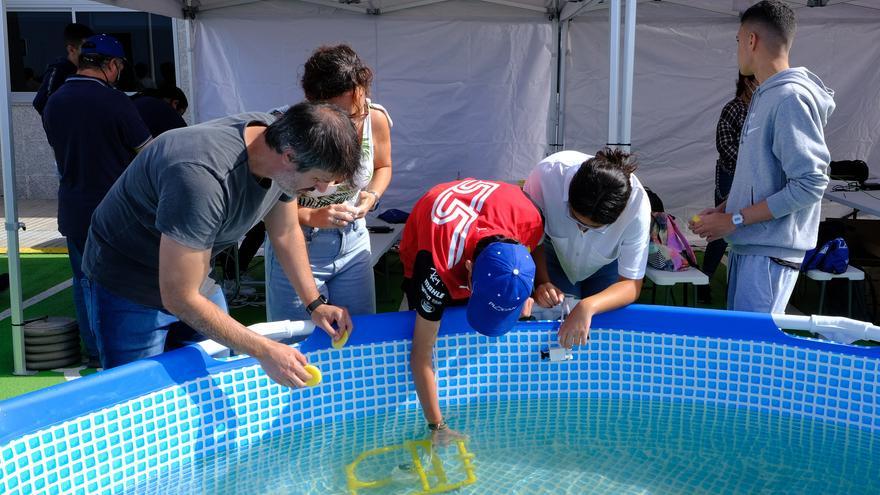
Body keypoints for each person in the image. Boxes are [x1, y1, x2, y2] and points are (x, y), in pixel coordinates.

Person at [81, 102, 361, 388]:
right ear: (289, 157)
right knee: (138, 396)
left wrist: (314, 304)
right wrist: (264, 350)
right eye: (318, 179)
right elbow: (179, 297)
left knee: (212, 383)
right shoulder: (202, 179)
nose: (323, 190)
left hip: (192, 273)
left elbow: (287, 231)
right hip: (129, 280)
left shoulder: (281, 143)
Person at [690, 0, 834, 313]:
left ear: (751, 40)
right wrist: (725, 209)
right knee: (745, 353)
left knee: (755, 358)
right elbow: (763, 174)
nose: (738, 48)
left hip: (769, 254)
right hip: (753, 247)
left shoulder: (790, 98)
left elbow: (810, 184)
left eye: (738, 40)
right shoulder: (767, 94)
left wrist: (734, 219)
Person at [400, 179, 543, 442]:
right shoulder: (436, 270)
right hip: (430, 228)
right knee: (425, 328)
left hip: (500, 207)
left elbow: (520, 262)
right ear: (467, 269)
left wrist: (523, 291)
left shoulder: (531, 221)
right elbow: (421, 354)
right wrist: (438, 428)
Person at [42, 34, 151, 367]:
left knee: (83, 281)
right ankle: (114, 353)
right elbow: (148, 154)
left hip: (73, 207)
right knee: (119, 284)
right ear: (112, 65)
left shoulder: (55, 100)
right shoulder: (116, 102)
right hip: (115, 212)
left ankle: (94, 350)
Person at [265, 44, 392, 321]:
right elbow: (268, 208)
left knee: (358, 340)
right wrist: (311, 215)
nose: (348, 124)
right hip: (299, 245)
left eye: (355, 112)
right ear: (313, 103)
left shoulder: (375, 117)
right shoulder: (283, 128)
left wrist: (371, 195)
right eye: (339, 116)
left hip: (354, 242)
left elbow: (383, 166)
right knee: (298, 346)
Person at [524, 148, 651, 348]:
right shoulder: (546, 175)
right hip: (554, 253)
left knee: (600, 341)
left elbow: (631, 284)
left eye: (594, 227)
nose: (582, 229)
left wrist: (588, 305)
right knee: (557, 338)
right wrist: (542, 282)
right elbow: (533, 237)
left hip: (608, 264)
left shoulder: (638, 207)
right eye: (575, 217)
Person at [698, 73, 758, 304]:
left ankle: (736, 283)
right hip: (730, 175)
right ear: (746, 83)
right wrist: (749, 163)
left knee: (746, 225)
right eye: (755, 83)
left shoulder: (762, 109)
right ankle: (706, 278)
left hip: (751, 176)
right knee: (720, 230)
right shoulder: (732, 109)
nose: (758, 87)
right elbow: (724, 145)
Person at [33, 23, 93, 116]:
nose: (90, 53)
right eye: (85, 48)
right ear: (71, 49)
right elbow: (40, 102)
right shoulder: (58, 70)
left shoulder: (89, 69)